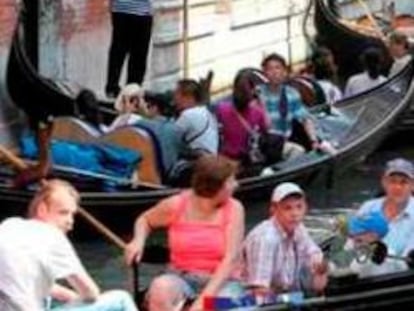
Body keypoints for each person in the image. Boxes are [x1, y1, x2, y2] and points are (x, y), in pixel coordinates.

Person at [124, 155, 245, 311]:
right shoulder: (176, 204)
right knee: (160, 289)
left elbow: (230, 260)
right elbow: (145, 220)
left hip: (223, 281)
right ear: (217, 188)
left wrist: (202, 302)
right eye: (231, 181)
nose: (236, 185)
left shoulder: (235, 209)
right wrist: (138, 241)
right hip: (181, 276)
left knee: (220, 307)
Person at [0, 179, 138, 311]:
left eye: (72, 215)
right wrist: (78, 298)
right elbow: (91, 293)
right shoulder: (53, 236)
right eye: (63, 213)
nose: (70, 222)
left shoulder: (9, 225)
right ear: (42, 209)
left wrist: (68, 295)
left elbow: (18, 281)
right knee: (121, 298)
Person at [242, 182, 328, 298]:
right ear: (274, 209)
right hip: (250, 300)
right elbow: (259, 290)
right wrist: (295, 299)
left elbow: (314, 257)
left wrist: (320, 268)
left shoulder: (299, 228)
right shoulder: (265, 238)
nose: (295, 214)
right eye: (287, 208)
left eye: (299, 207)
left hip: (285, 295)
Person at [257, 53, 319, 158]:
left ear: (284, 72)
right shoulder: (258, 93)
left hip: (281, 143)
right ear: (264, 73)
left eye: (278, 68)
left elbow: (305, 119)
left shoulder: (291, 94)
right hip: (261, 143)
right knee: (297, 151)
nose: (274, 72)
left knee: (298, 151)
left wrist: (313, 141)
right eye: (270, 69)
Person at [355, 158, 414, 267]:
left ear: (413, 185)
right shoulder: (368, 207)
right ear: (384, 182)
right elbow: (353, 245)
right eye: (392, 181)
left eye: (404, 182)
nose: (397, 187)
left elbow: (407, 261)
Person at [215, 69, 271, 163]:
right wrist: (262, 102)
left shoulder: (221, 109)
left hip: (225, 161)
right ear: (253, 91)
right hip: (246, 161)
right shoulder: (258, 112)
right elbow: (267, 128)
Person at [105, 0, 153, 98]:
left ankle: (112, 87)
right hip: (140, 12)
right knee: (138, 55)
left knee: (118, 52)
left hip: (121, 10)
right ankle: (132, 90)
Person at [174, 79, 219, 157]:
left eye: (177, 94)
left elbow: (170, 138)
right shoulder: (206, 112)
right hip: (212, 160)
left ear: (188, 96)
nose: (175, 99)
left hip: (199, 163)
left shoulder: (188, 114)